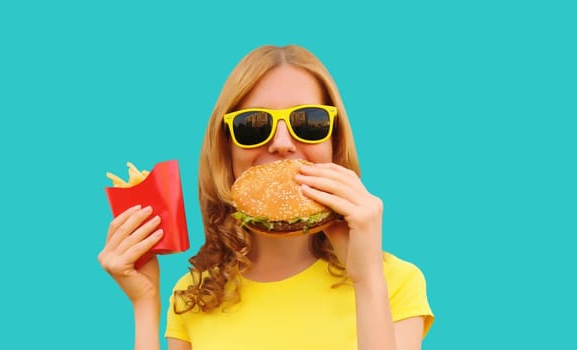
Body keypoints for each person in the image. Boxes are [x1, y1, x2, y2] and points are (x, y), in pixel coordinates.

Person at [98, 44, 434, 350]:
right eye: (253, 126)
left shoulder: (395, 281)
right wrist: (145, 306)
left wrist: (366, 278)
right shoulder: (196, 294)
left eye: (309, 122)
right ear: (225, 151)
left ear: (334, 143)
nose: (282, 143)